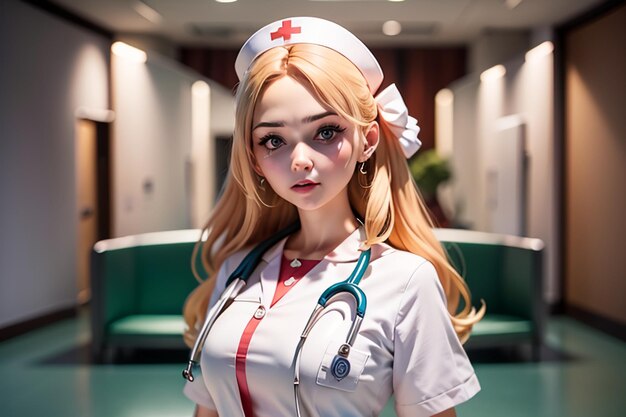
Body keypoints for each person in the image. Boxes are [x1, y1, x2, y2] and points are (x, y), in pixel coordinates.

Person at [182, 17, 485, 417]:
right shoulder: (238, 269)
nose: (299, 160)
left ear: (368, 141)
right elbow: (211, 408)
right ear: (253, 158)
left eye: (325, 132)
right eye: (273, 140)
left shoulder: (405, 281)